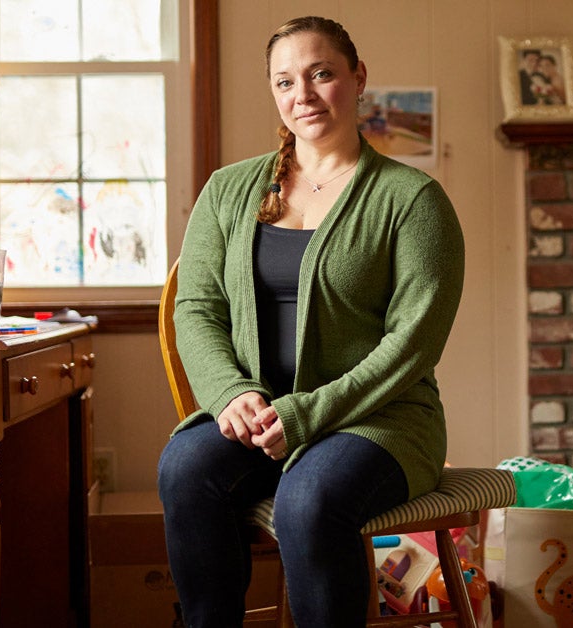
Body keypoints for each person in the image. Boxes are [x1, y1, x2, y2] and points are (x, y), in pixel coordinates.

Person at [156, 15, 465, 628]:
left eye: (322, 74)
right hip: (261, 415)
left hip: (381, 422)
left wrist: (303, 416)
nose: (304, 94)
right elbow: (196, 307)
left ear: (357, 78)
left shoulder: (412, 200)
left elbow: (412, 346)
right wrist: (230, 392)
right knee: (184, 468)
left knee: (309, 500)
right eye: (286, 81)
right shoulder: (228, 191)